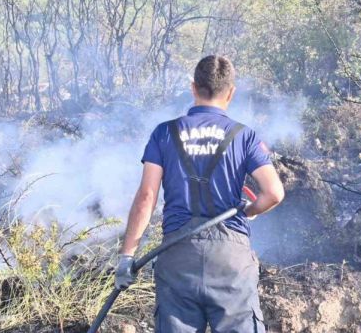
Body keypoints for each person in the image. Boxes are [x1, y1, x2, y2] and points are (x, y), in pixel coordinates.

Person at [115, 55, 285, 332]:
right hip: (231, 260)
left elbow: (147, 197)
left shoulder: (164, 133)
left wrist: (126, 257)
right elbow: (274, 193)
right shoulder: (245, 136)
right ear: (231, 92)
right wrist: (248, 211)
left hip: (178, 257)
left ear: (193, 88)